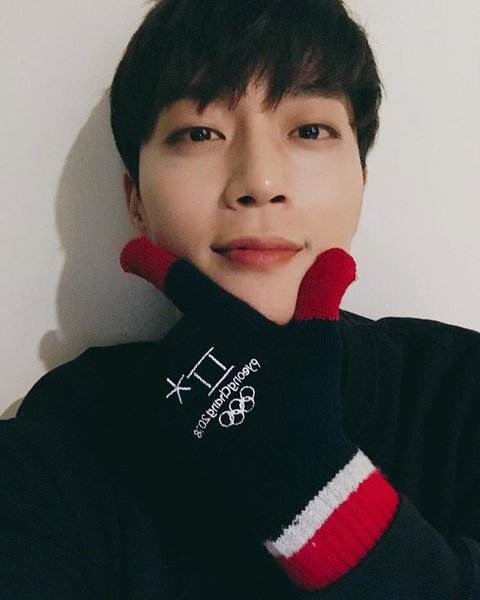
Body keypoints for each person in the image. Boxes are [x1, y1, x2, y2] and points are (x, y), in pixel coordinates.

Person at [1, 0, 479, 598]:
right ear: (136, 202)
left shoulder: (460, 392)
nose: (259, 182)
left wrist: (312, 481)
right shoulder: (70, 437)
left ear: (361, 180)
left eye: (309, 131)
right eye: (199, 133)